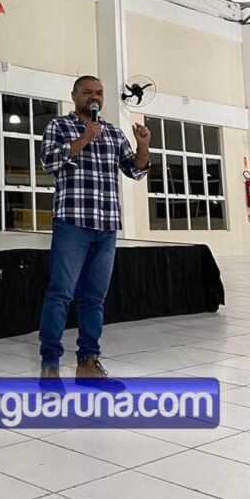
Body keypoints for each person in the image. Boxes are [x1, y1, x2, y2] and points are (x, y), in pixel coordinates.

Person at [39, 75, 150, 380]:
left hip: (107, 225)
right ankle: (50, 365)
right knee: (60, 293)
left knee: (94, 299)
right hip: (72, 223)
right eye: (87, 92)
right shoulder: (59, 126)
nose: (94, 96)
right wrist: (84, 138)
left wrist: (143, 147)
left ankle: (88, 363)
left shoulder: (113, 132)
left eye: (99, 92)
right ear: (74, 96)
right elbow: (48, 162)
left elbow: (136, 170)